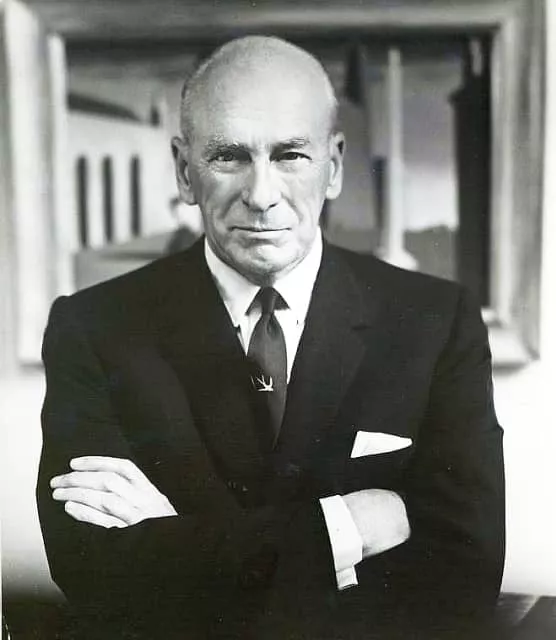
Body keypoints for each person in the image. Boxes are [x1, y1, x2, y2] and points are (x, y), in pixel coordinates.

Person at [37, 36, 505, 640]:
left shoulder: (436, 322)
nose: (261, 195)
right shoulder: (93, 326)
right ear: (184, 171)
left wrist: (178, 540)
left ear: (334, 167)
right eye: (229, 157)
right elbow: (95, 573)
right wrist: (348, 527)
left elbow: (463, 579)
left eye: (290, 155)